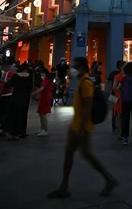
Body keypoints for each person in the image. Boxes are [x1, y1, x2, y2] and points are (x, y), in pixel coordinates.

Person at [47, 56, 118, 199]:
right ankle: (66, 185)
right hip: (78, 124)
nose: (73, 69)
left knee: (82, 153)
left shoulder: (86, 83)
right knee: (81, 153)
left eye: (76, 66)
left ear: (83, 68)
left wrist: (80, 128)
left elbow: (88, 106)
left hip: (81, 126)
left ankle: (108, 179)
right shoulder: (82, 81)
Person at [4, 62, 33, 140]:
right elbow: (30, 88)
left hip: (16, 98)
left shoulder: (16, 76)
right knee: (23, 115)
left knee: (14, 115)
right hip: (25, 98)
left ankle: (13, 132)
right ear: (26, 69)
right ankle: (22, 132)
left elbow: (9, 85)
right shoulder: (29, 77)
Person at [0, 58, 16, 136]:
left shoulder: (8, 73)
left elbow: (5, 86)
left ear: (5, 65)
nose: (1, 67)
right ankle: (3, 131)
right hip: (6, 96)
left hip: (5, 96)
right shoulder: (7, 73)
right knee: (3, 115)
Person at [31, 67, 53, 136]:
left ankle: (45, 130)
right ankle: (42, 129)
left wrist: (34, 93)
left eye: (41, 73)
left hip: (45, 98)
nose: (40, 75)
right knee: (41, 113)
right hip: (43, 98)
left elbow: (42, 88)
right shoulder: (45, 79)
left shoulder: (46, 80)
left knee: (43, 114)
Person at [107, 61, 121, 134]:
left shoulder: (113, 73)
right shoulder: (118, 74)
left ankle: (114, 127)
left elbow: (108, 80)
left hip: (112, 94)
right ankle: (116, 127)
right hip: (115, 94)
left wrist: (109, 89)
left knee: (114, 110)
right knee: (116, 110)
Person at [112, 60, 125, 138]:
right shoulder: (117, 75)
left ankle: (119, 130)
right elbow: (113, 87)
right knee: (117, 114)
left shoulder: (116, 75)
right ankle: (118, 131)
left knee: (118, 114)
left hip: (114, 96)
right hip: (117, 96)